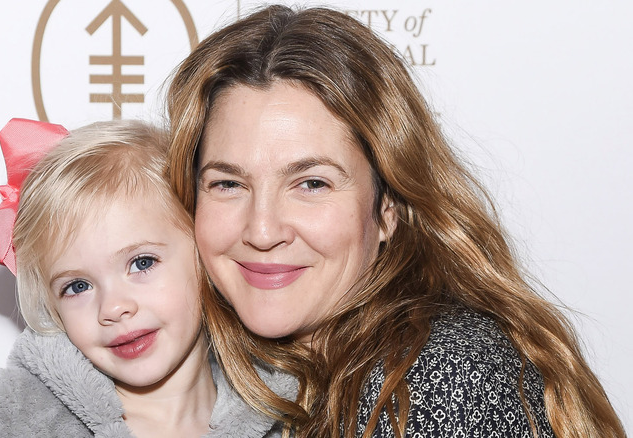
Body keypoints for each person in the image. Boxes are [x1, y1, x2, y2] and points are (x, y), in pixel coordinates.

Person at [166, 5, 625, 438]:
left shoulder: (439, 378)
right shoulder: (225, 378)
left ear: (388, 206)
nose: (262, 231)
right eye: (227, 184)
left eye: (312, 184)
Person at [0, 118, 294, 437]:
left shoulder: (289, 414)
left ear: (201, 250)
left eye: (142, 263)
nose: (113, 308)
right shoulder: (8, 416)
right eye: (77, 287)